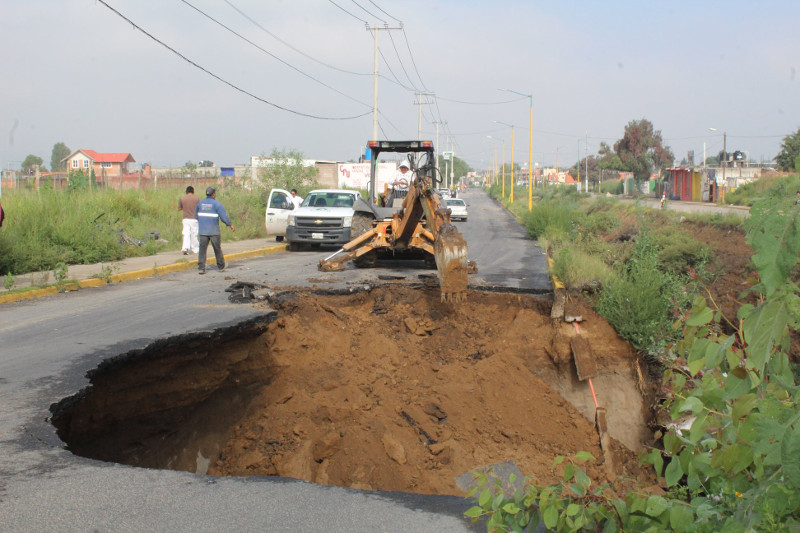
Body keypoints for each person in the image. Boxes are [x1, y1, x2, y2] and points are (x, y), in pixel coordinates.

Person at [195, 186, 235, 274]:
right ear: (214, 194)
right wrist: (230, 224)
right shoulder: (217, 204)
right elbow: (223, 217)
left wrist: (203, 222)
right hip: (214, 231)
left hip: (203, 231)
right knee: (217, 248)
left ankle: (201, 267)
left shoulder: (200, 204)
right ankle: (221, 266)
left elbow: (196, 216)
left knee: (202, 249)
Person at [177, 186, 200, 254]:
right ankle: (195, 249)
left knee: (186, 233)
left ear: (186, 191)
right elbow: (199, 207)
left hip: (186, 219)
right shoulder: (197, 198)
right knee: (194, 234)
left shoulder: (182, 198)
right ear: (193, 191)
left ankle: (185, 248)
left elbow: (179, 208)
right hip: (194, 219)